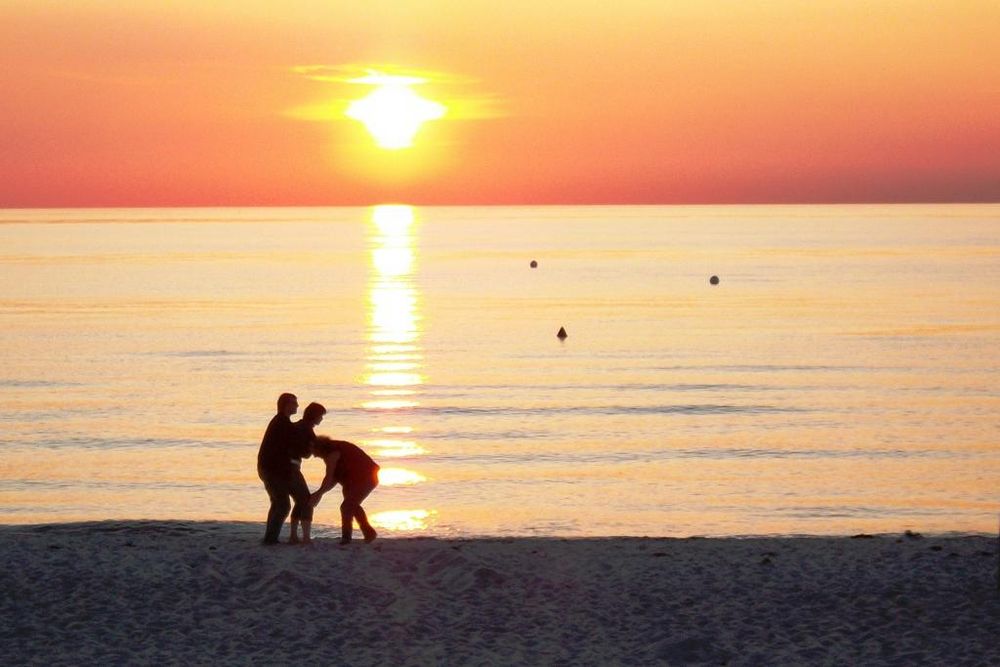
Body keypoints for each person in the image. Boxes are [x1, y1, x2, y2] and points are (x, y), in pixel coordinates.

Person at [310, 436, 380, 545]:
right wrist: (320, 493)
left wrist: (319, 494)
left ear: (319, 448)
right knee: (352, 505)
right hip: (351, 480)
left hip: (366, 477)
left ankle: (346, 538)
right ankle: (369, 532)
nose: (313, 455)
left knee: (347, 506)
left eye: (313, 450)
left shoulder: (332, 452)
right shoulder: (329, 453)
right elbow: (333, 479)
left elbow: (329, 477)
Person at [256, 392, 304, 545]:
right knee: (283, 505)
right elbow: (289, 447)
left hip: (270, 468)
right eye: (294, 403)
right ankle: (270, 539)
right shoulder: (282, 423)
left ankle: (270, 537)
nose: (297, 406)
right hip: (271, 470)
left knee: (278, 503)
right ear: (286, 405)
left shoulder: (282, 422)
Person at [288, 402, 326, 545]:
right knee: (307, 500)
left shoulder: (296, 425)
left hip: (286, 467)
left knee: (300, 500)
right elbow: (305, 453)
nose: (321, 419)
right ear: (315, 415)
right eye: (321, 416)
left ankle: (293, 535)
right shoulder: (308, 430)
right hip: (292, 467)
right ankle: (305, 537)